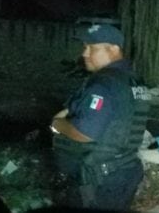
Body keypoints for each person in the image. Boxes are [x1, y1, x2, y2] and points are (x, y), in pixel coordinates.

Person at [51, 24, 150, 211]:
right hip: (122, 169)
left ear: (114, 49)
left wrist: (58, 124)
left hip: (98, 180)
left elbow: (85, 132)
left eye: (92, 48)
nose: (85, 54)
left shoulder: (104, 83)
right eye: (85, 47)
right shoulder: (132, 79)